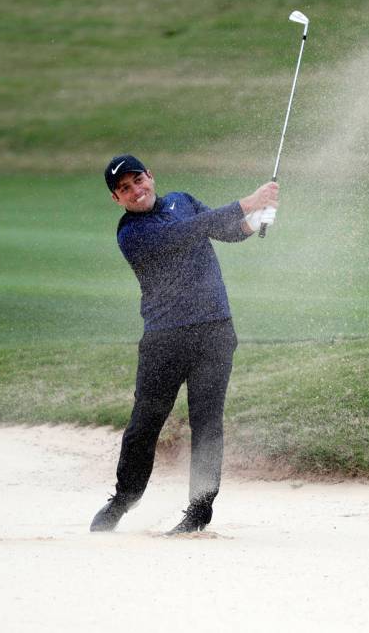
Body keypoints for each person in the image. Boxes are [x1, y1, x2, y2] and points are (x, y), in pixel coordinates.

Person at [90, 154, 279, 534]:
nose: (135, 190)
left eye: (137, 180)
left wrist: (257, 217)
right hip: (165, 339)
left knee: (207, 424)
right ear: (117, 199)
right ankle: (124, 498)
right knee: (145, 423)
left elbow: (226, 229)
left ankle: (199, 510)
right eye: (124, 188)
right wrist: (249, 200)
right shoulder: (131, 233)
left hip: (215, 332)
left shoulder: (183, 200)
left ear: (150, 177)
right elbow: (187, 233)